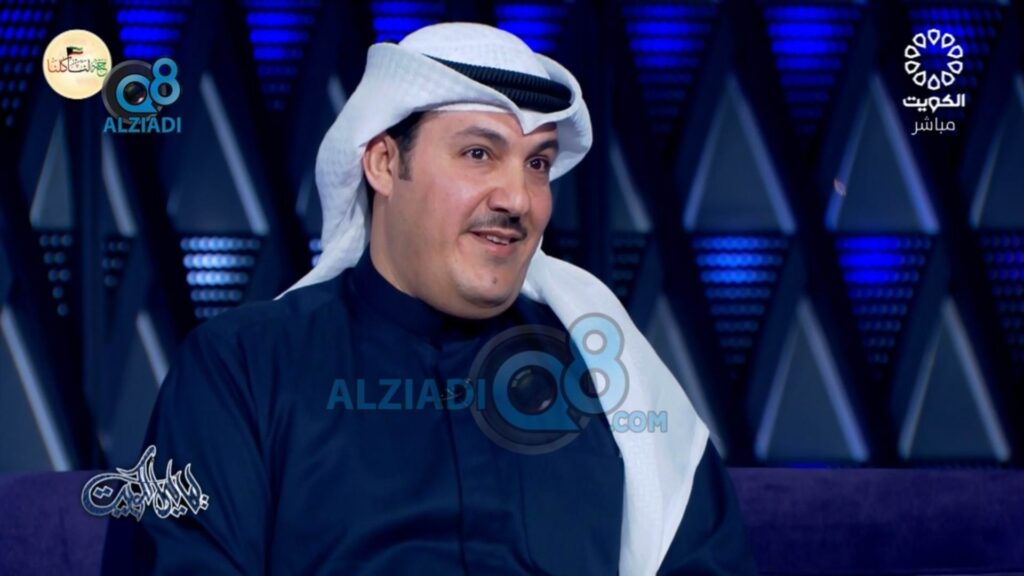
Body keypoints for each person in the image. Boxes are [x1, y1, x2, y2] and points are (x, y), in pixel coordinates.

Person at [115, 22, 757, 575]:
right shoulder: (240, 371)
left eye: (537, 163)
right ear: (383, 164)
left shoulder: (605, 378)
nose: (519, 198)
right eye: (479, 153)